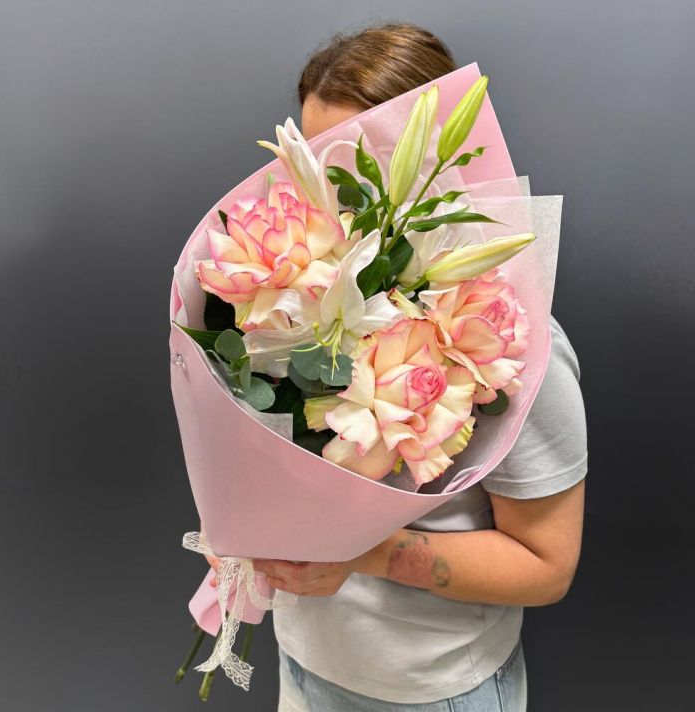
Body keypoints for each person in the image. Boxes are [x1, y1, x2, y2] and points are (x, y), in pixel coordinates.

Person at [238, 23, 586, 711]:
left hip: (432, 693)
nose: (333, 198)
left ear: (433, 164)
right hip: (303, 665)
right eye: (317, 165)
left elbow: (548, 567)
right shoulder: (296, 304)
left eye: (358, 167)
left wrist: (361, 552)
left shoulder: (504, 338)